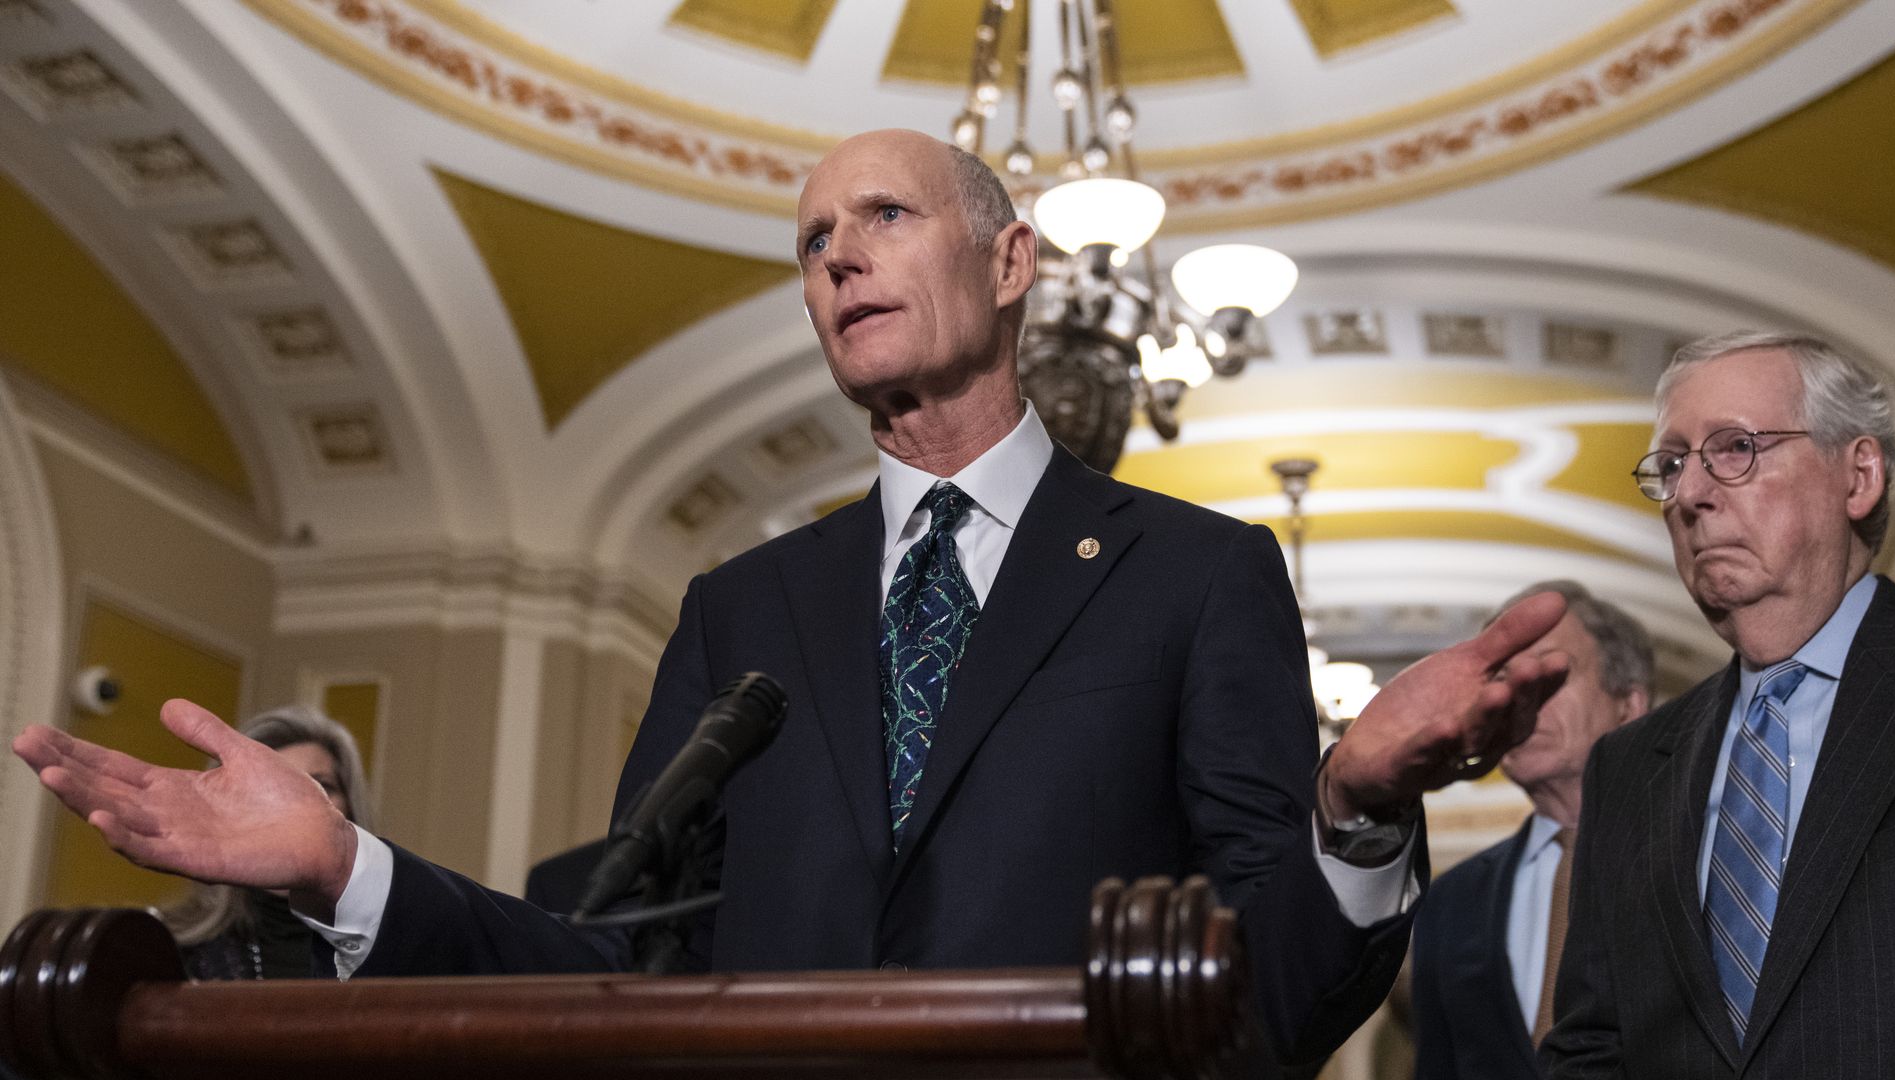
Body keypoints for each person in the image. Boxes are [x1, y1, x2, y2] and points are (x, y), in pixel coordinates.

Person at [14, 129, 1570, 1066]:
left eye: (883, 219)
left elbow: (1277, 989)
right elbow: (624, 971)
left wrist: (1355, 813)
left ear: (1014, 257)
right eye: (810, 242)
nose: (836, 259)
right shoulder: (741, 607)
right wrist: (347, 866)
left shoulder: (1195, 571)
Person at [1543, 331, 1895, 1076]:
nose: (1688, 493)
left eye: (1737, 447)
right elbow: (1590, 1046)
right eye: (1674, 464)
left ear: (1859, 476)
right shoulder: (1626, 769)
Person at [1412, 581, 1652, 1079]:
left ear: (1629, 704)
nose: (1517, 700)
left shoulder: (1700, 860)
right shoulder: (1449, 901)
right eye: (1501, 681)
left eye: (1549, 674)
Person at [162, 706, 374, 980]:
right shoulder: (167, 950)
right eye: (268, 788)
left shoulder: (404, 948)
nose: (295, 806)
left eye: (320, 786)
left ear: (351, 813)